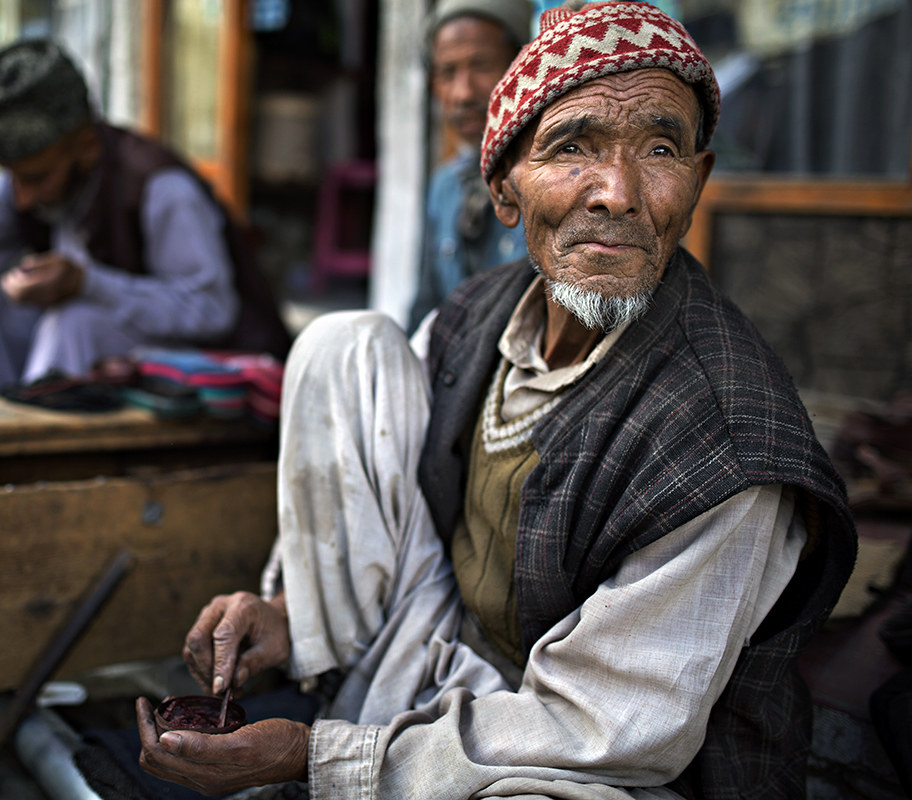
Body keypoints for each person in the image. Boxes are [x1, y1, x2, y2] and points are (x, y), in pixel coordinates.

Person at [135, 3, 858, 799]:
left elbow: (604, 729)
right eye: (572, 147)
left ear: (697, 182)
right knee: (344, 346)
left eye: (660, 149)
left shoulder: (728, 443)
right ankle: (339, 677)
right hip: (439, 643)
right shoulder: (477, 313)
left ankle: (361, 735)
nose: (616, 191)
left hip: (598, 752)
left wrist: (315, 757)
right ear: (505, 189)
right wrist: (284, 614)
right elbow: (374, 493)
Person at [0, 38, 290, 409]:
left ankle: (21, 468)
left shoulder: (161, 189)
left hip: (219, 380)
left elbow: (212, 309)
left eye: (37, 178)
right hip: (116, 369)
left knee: (74, 324)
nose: (24, 197)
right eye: (14, 180)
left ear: (85, 145)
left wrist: (88, 283)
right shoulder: (28, 189)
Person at [405, 0, 532, 333]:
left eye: (481, 65)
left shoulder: (552, 180)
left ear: (521, 68)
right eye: (447, 72)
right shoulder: (444, 186)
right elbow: (426, 305)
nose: (463, 93)